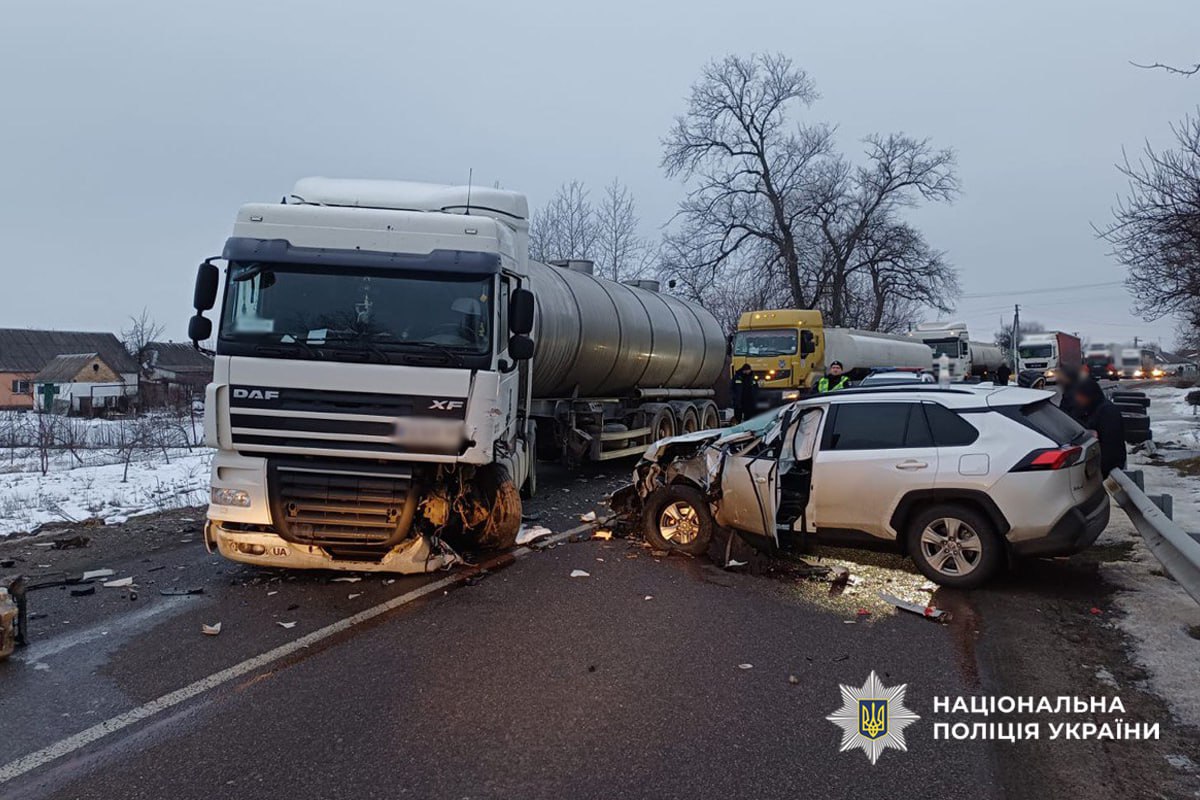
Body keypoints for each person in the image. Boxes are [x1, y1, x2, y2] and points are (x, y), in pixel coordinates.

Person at [1070, 379, 1126, 475]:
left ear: (1088, 395)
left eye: (1079, 396)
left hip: (1107, 467)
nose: (1077, 399)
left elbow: (1111, 445)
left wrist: (1100, 469)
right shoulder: (1090, 409)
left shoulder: (1107, 412)